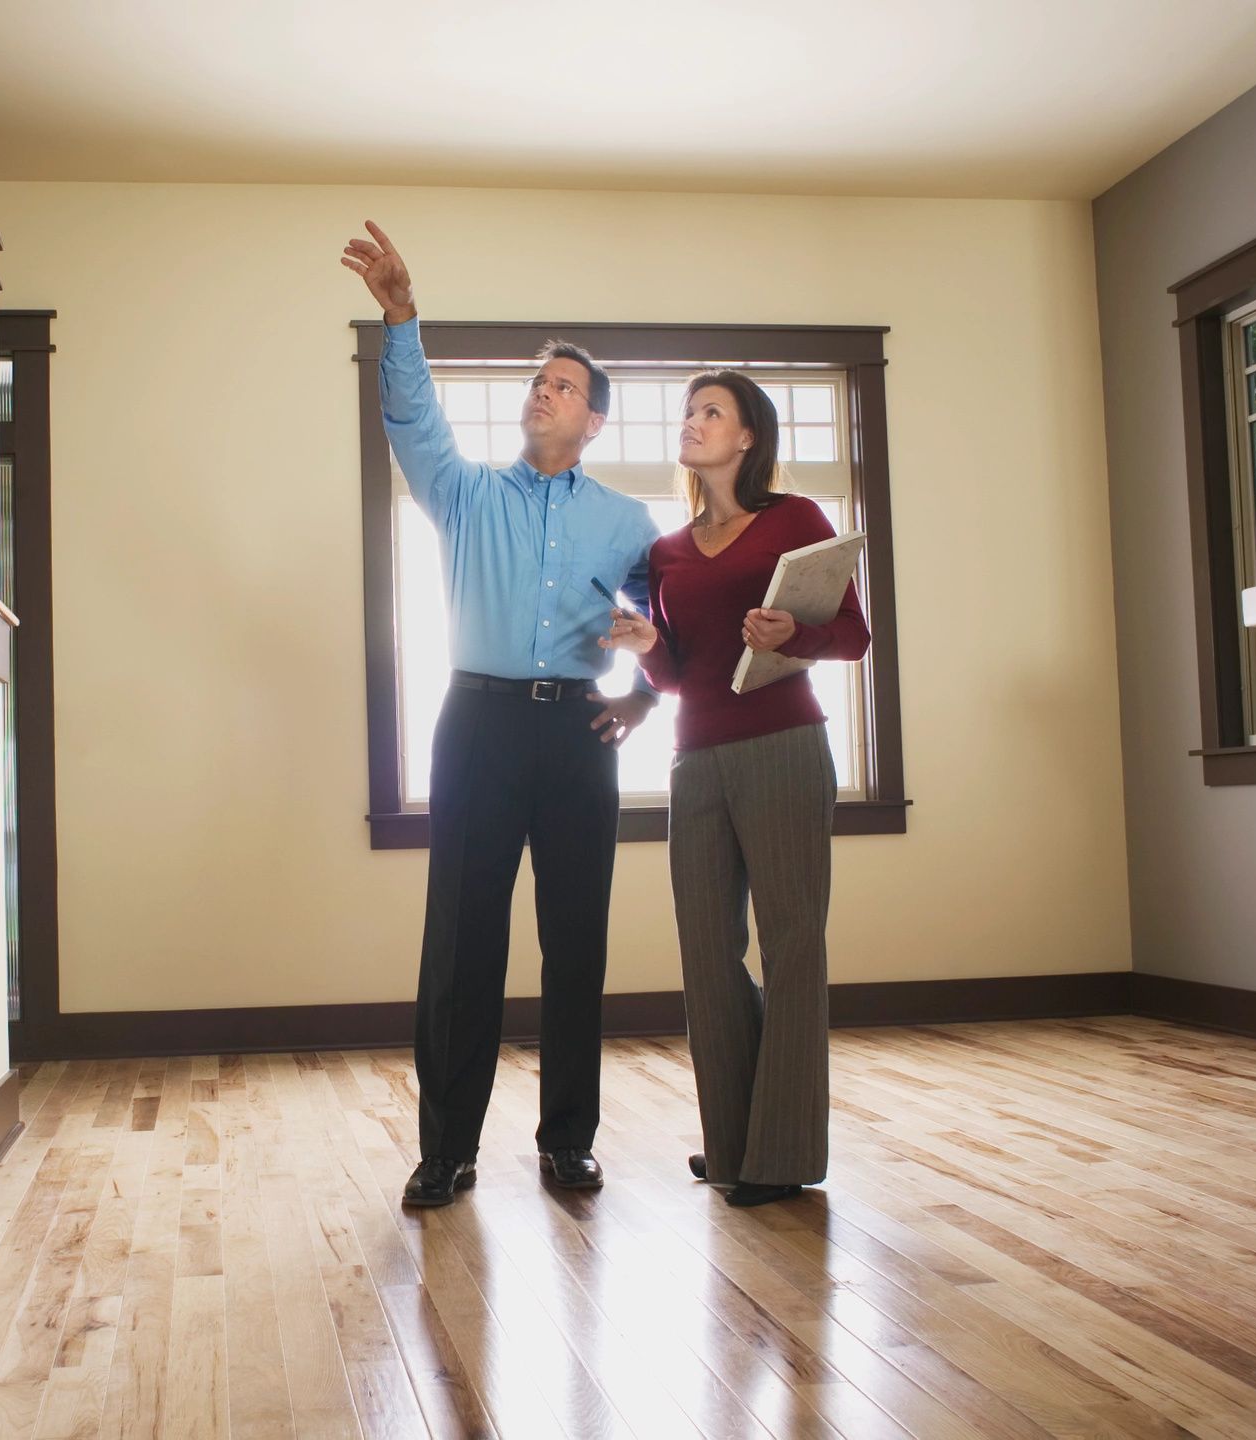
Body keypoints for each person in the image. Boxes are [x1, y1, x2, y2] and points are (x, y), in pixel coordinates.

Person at [341, 221, 660, 1208]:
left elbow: (666, 631)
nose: (542, 391)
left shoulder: (628, 522)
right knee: (461, 945)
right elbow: (412, 422)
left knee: (575, 945)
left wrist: (639, 697)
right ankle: (447, 1150)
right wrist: (401, 317)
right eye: (537, 381)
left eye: (561, 385)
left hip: (576, 733)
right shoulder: (468, 495)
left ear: (594, 420)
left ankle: (567, 1141)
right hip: (475, 726)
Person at [601, 371, 869, 1207]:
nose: (693, 422)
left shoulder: (795, 521)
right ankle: (734, 1145)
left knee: (793, 946)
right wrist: (647, 645)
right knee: (708, 952)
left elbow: (854, 636)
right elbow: (680, 675)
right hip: (697, 758)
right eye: (688, 412)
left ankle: (780, 1155)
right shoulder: (668, 553)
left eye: (710, 411)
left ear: (748, 436)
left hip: (785, 744)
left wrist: (798, 631)